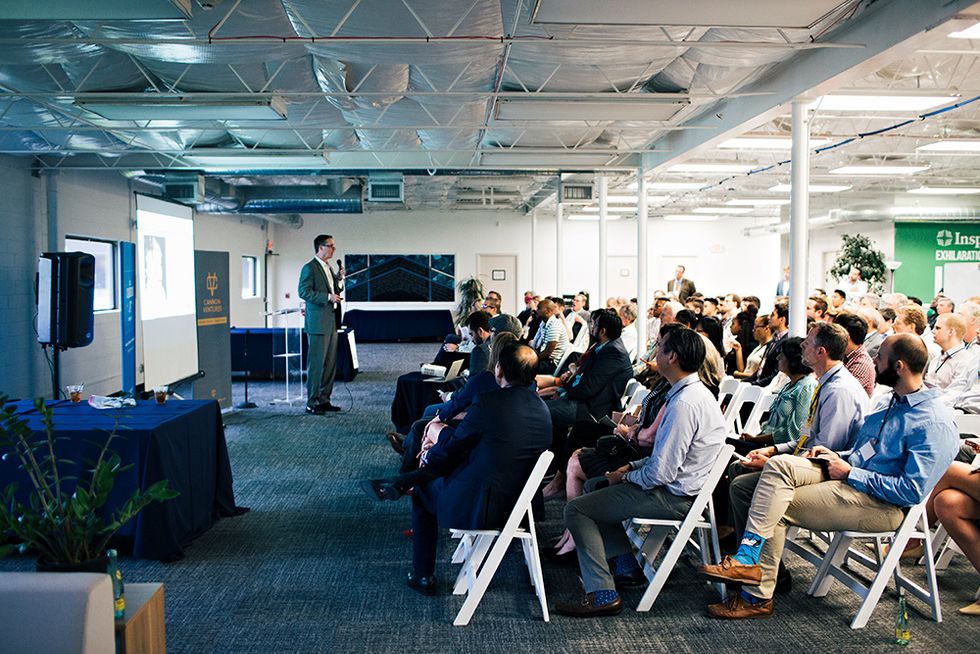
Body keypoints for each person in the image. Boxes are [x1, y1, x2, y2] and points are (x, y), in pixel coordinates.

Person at [701, 334, 959, 619]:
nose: (873, 361)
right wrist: (837, 456)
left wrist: (851, 472)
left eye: (880, 357)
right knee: (772, 471)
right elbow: (864, 452)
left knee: (773, 501)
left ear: (899, 367)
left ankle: (757, 595)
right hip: (851, 478)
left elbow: (911, 491)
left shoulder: (933, 421)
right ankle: (748, 559)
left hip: (882, 505)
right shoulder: (892, 402)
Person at [554, 325, 726, 617]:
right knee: (595, 487)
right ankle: (625, 565)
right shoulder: (690, 394)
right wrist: (631, 467)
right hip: (677, 489)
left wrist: (624, 476)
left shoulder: (684, 404)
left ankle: (601, 593)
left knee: (577, 510)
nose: (654, 353)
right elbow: (667, 459)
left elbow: (662, 473)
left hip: (673, 497)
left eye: (659, 347)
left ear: (672, 357)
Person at [378, 343, 552, 596]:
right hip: (522, 506)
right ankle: (404, 480)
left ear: (499, 370)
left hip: (484, 507)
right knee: (445, 462)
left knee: (424, 490)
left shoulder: (488, 403)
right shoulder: (542, 409)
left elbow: (453, 449)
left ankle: (422, 574)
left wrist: (429, 450)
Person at [737, 337, 816, 449]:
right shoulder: (790, 384)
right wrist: (756, 438)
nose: (778, 358)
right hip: (766, 444)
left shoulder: (806, 387)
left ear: (793, 360)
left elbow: (795, 433)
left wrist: (755, 439)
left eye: (782, 355)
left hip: (779, 449)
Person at [298, 234, 344, 414]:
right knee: (316, 365)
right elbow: (303, 291)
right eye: (331, 245)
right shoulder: (309, 268)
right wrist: (327, 297)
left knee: (330, 365)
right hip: (317, 324)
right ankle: (312, 402)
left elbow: (335, 291)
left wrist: (339, 279)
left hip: (331, 321)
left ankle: (324, 399)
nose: (333, 249)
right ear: (321, 247)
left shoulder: (328, 267)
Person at [834, 312, 876, 397]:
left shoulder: (861, 364)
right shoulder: (845, 355)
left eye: (834, 334)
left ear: (846, 336)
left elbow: (841, 394)